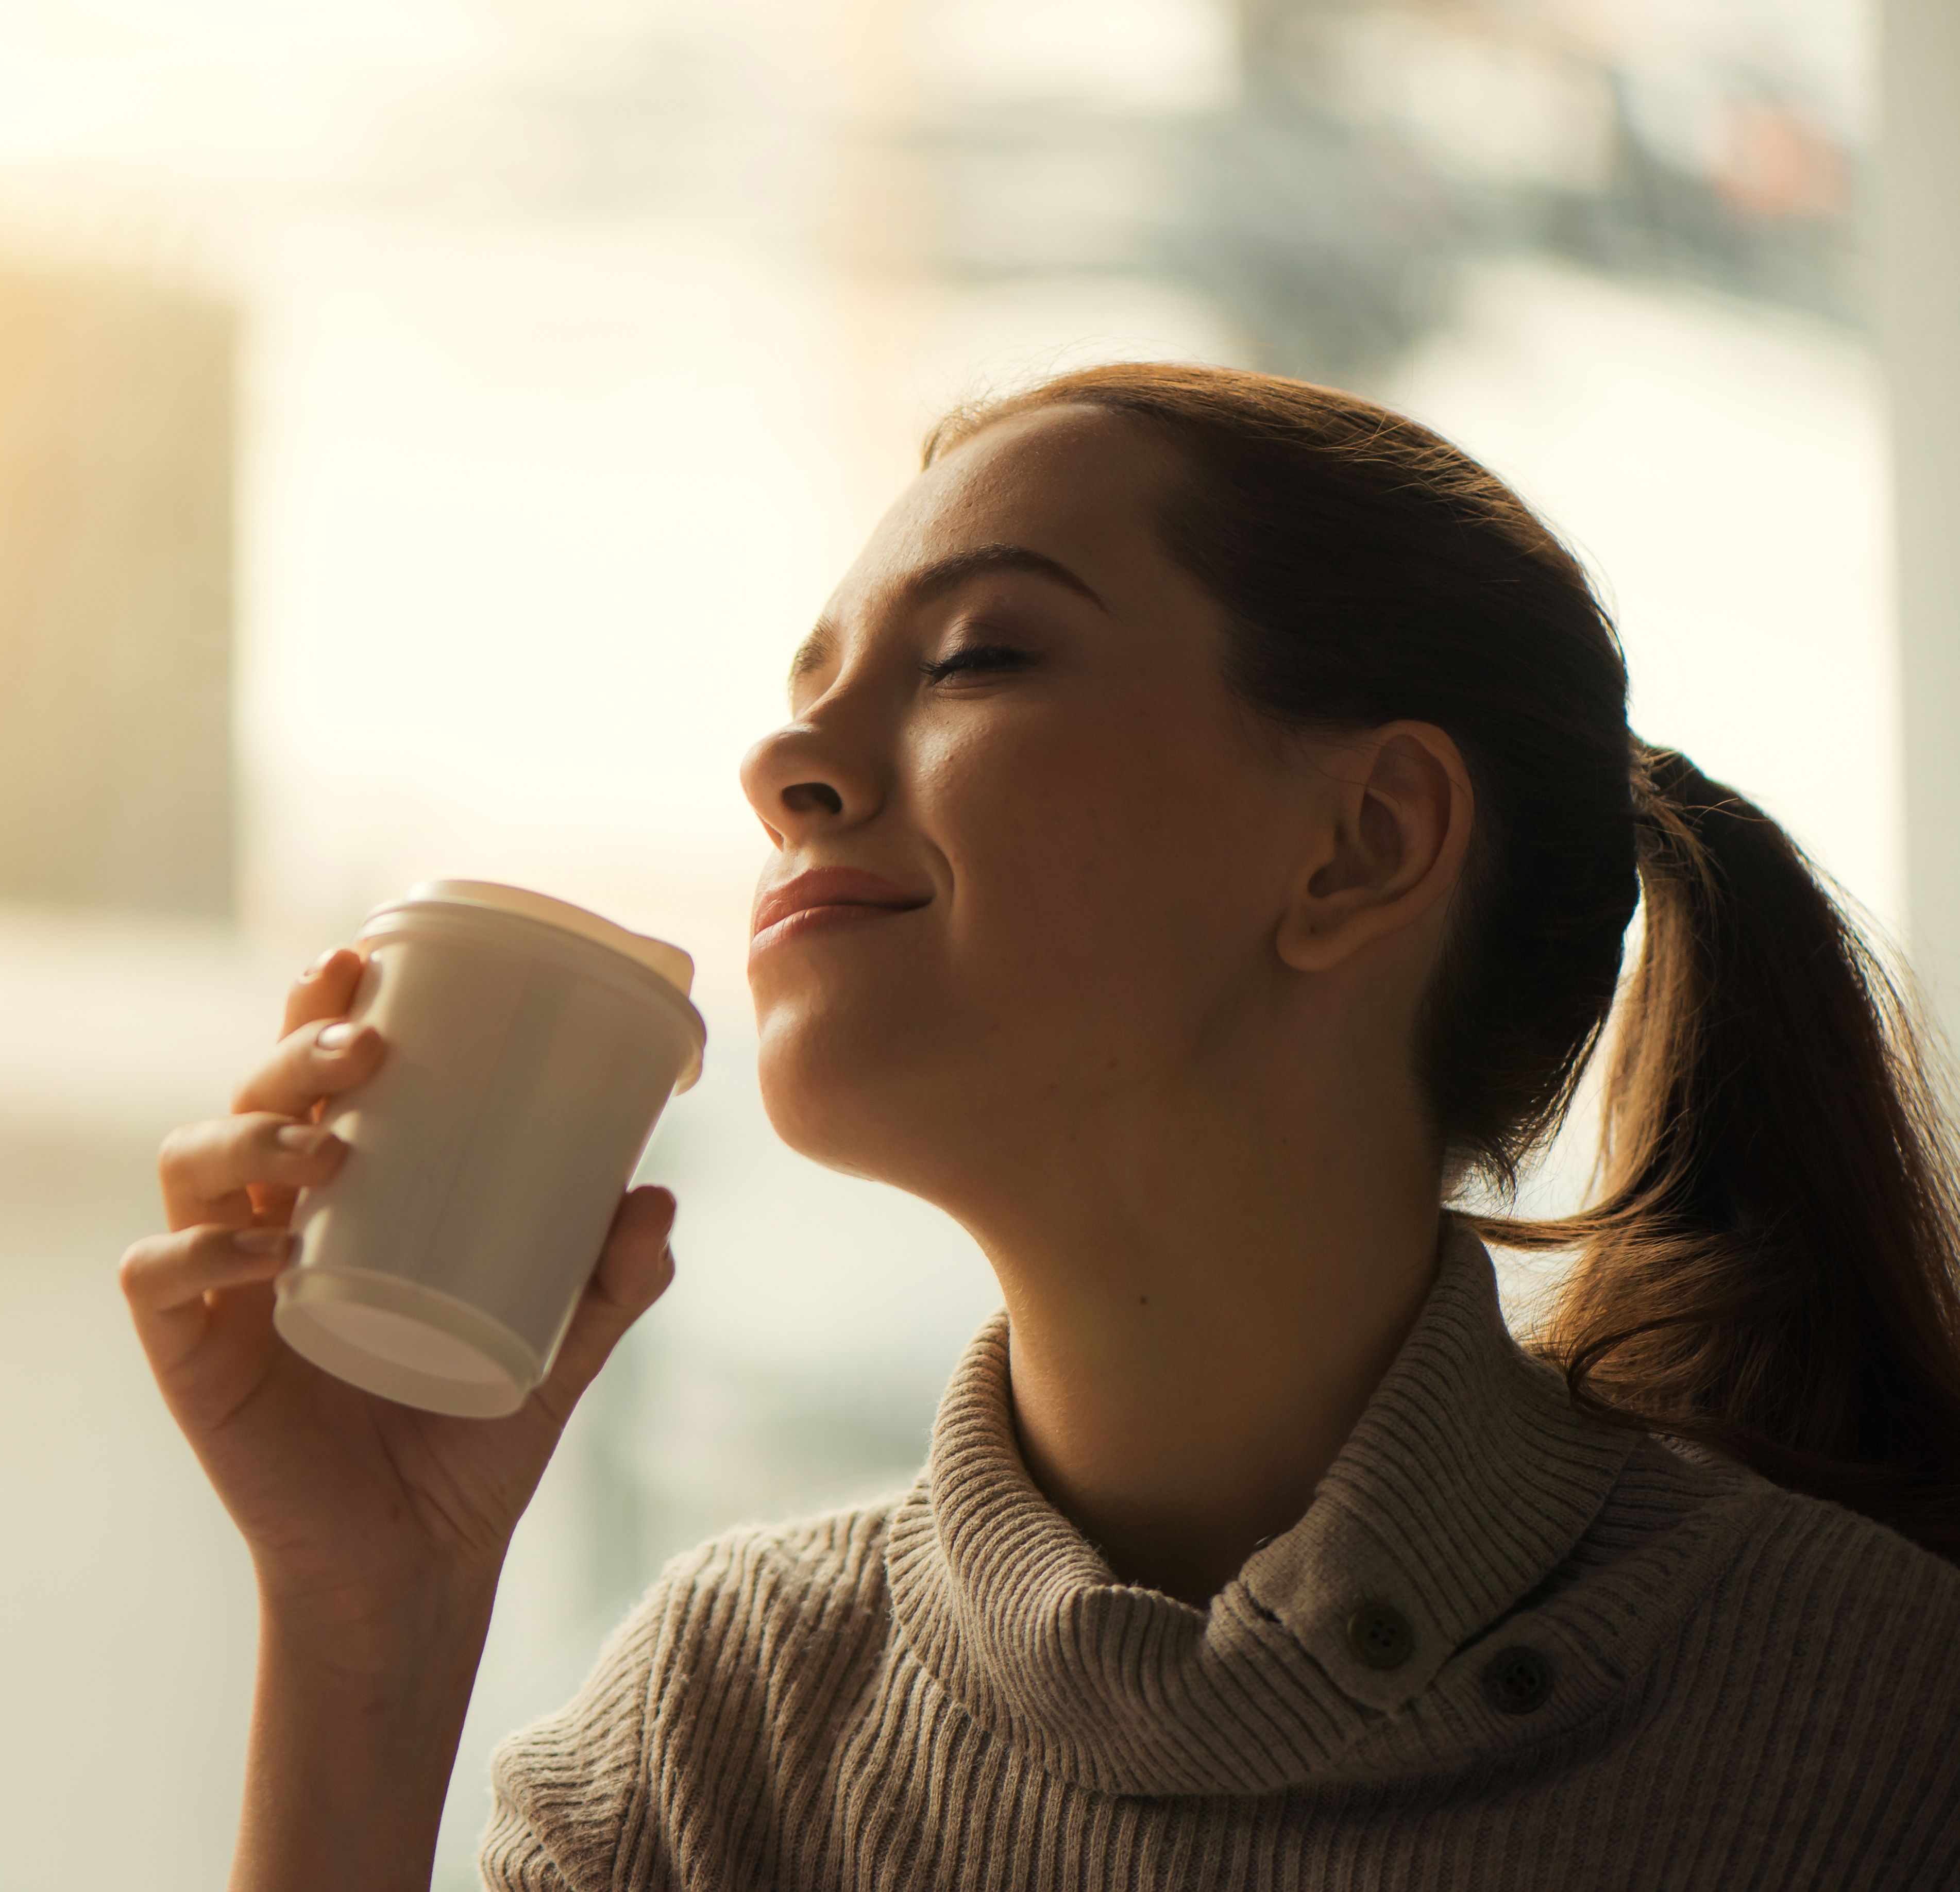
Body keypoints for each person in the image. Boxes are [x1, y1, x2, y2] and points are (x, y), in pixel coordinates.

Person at [119, 364, 1960, 1890]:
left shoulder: (1882, 1730)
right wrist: (370, 1619)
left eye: (978, 654)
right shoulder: (724, 1735)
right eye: (806, 689)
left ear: (1365, 842)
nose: (783, 767)